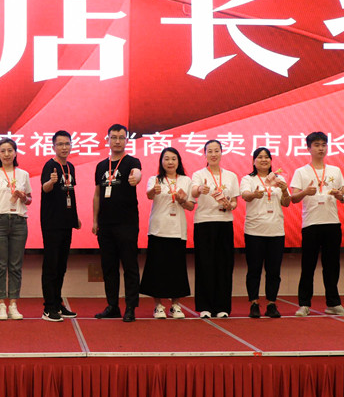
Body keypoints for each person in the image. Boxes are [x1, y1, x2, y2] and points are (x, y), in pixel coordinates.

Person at [290, 131, 344, 316]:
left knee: (332, 266)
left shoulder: (335, 171)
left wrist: (340, 195)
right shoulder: (301, 172)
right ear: (308, 148)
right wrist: (305, 192)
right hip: (311, 224)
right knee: (308, 265)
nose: (321, 148)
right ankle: (304, 304)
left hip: (332, 223)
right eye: (316, 145)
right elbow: (293, 198)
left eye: (324, 145)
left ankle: (333, 303)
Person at [93, 123, 143, 322]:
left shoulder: (132, 161)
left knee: (130, 265)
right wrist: (95, 220)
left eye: (121, 137)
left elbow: (137, 173)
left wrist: (136, 178)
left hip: (127, 223)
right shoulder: (101, 166)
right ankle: (112, 306)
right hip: (105, 224)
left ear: (126, 140)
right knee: (109, 267)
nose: (117, 141)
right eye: (113, 137)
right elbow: (97, 195)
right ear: (108, 140)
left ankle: (130, 307)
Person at [139, 147, 194, 319]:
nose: (170, 162)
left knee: (177, 269)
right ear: (161, 162)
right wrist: (153, 191)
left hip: (177, 230)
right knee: (157, 269)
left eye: (173, 159)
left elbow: (190, 206)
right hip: (158, 229)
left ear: (179, 162)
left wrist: (182, 200)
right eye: (167, 159)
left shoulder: (186, 180)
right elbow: (149, 196)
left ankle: (175, 305)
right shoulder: (155, 179)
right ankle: (158, 306)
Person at [0, 138, 32, 320]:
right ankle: (1, 305)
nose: (7, 154)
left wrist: (23, 197)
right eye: (3, 151)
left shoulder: (23, 174)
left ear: (16, 153)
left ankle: (13, 305)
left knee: (16, 266)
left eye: (10, 150)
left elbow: (29, 200)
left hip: (19, 221)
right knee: (0, 265)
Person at [190, 140, 239, 319]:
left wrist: (230, 205)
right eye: (209, 151)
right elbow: (193, 192)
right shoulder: (198, 174)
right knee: (205, 264)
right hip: (204, 223)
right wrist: (200, 189)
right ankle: (205, 306)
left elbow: (235, 201)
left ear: (221, 153)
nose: (213, 154)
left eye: (216, 151)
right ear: (204, 154)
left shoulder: (231, 176)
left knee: (224, 265)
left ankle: (222, 306)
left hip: (224, 222)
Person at [240, 147, 290, 319]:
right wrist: (255, 194)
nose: (263, 160)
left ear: (271, 160)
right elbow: (245, 196)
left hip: (276, 230)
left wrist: (284, 190)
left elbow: (286, 203)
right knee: (254, 269)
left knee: (274, 271)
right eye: (260, 157)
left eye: (266, 157)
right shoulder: (248, 179)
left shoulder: (279, 179)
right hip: (254, 230)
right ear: (254, 161)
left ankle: (271, 304)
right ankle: (254, 303)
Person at [40, 130, 81, 322]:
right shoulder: (50, 165)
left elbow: (70, 194)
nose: (64, 147)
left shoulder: (70, 167)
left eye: (67, 144)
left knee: (61, 265)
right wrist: (51, 181)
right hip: (52, 222)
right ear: (53, 146)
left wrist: (75, 218)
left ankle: (57, 303)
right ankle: (48, 307)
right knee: (51, 265)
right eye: (60, 144)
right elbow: (44, 188)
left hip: (66, 222)